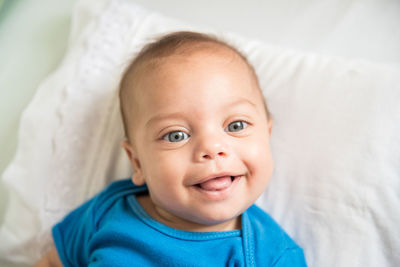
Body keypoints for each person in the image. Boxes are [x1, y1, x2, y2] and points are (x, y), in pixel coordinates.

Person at [36, 31, 307, 266]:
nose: (212, 148)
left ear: (266, 137)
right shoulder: (107, 211)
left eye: (236, 126)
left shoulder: (271, 256)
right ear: (138, 163)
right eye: (176, 135)